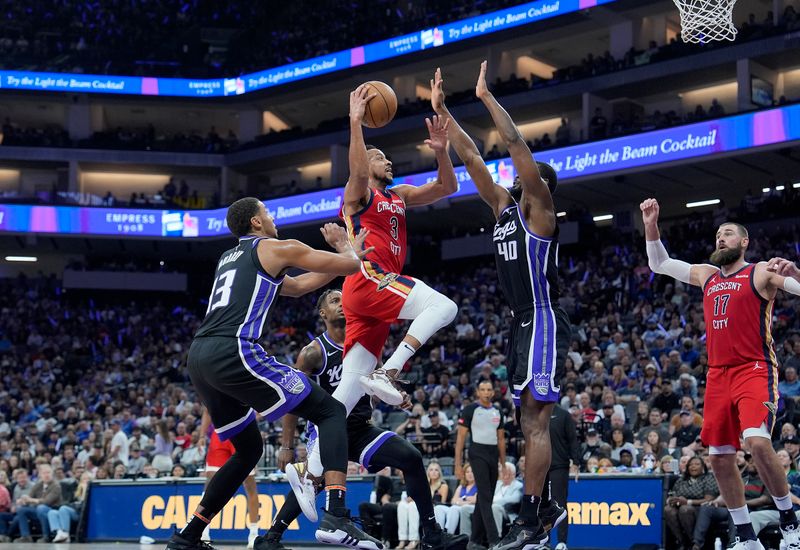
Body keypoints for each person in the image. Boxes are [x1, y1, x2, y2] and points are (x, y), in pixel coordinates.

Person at [168, 197, 377, 550]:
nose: (272, 217)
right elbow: (351, 266)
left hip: (199, 356)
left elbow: (297, 287)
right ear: (255, 222)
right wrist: (347, 246)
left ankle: (188, 535)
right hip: (233, 349)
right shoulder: (279, 247)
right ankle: (337, 514)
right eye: (267, 212)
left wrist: (344, 261)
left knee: (248, 450)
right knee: (330, 411)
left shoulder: (229, 257)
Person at [432, 62, 569, 550]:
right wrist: (445, 114)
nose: (512, 174)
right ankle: (540, 509)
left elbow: (514, 144)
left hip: (543, 319)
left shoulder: (540, 210)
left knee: (536, 415)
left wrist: (487, 97)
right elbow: (472, 157)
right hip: (519, 324)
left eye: (524, 174)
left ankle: (534, 514)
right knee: (528, 420)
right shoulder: (503, 209)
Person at [642, 197, 800, 550]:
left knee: (757, 442)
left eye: (728, 234)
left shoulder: (760, 271)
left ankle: (790, 521)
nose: (720, 238)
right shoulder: (707, 275)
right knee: (718, 456)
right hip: (717, 375)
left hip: (754, 368)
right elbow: (660, 263)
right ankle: (746, 536)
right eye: (717, 234)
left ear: (744, 242)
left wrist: (795, 274)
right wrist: (651, 225)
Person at [264, 290, 467, 550]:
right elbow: (292, 401)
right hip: (327, 429)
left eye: (343, 299)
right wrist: (286, 446)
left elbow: (377, 383)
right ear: (323, 313)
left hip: (360, 427)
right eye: (334, 301)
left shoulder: (365, 345)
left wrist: (398, 395)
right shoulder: (313, 352)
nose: (341, 304)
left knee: (412, 458)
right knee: (313, 482)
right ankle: (270, 539)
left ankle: (433, 535)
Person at [333, 83, 459, 413]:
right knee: (443, 307)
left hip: (371, 291)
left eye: (388, 158)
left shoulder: (398, 195)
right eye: (379, 158)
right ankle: (389, 371)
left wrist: (442, 151)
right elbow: (358, 171)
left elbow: (447, 186)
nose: (387, 162)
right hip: (369, 277)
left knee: (348, 392)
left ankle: (308, 464)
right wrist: (356, 122)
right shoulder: (357, 196)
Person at [455, 380, 506, 549]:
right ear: (477, 392)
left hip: (493, 455)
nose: (486, 392)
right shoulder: (470, 410)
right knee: (484, 496)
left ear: (493, 392)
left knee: (486, 498)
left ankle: (475, 540)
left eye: (489, 389)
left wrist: (504, 464)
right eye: (483, 389)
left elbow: (501, 439)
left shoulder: (498, 411)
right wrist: (457, 464)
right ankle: (494, 540)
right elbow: (461, 439)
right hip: (477, 453)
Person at [198, 409, 261, 548]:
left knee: (250, 485)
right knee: (210, 484)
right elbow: (208, 411)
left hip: (243, 431)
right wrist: (202, 435)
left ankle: (253, 533)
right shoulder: (214, 387)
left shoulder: (246, 387)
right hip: (220, 433)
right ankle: (202, 531)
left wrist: (254, 418)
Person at [664, 456, 719, 550]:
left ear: (703, 467)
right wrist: (671, 500)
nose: (693, 467)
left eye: (697, 464)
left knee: (685, 509)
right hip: (680, 506)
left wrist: (687, 502)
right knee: (668, 509)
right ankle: (682, 542)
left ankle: (693, 543)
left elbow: (709, 500)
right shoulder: (682, 480)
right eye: (691, 464)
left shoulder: (708, 478)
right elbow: (673, 495)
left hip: (701, 508)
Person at [546, 404, 580, 550]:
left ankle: (561, 541)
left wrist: (576, 461)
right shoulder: (534, 412)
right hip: (539, 467)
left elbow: (573, 438)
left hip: (558, 465)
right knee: (541, 505)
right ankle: (543, 542)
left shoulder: (563, 414)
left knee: (559, 504)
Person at [48, 471, 91, 543]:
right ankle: (60, 532)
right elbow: (70, 502)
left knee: (63, 509)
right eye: (84, 479)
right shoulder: (76, 490)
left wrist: (84, 490)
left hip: (81, 513)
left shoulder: (92, 492)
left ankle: (65, 533)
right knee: (52, 512)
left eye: (88, 479)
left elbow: (85, 505)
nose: (85, 481)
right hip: (72, 511)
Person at [445, 465, 478, 536]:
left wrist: (461, 499)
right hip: (460, 508)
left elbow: (475, 500)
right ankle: (445, 534)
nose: (470, 474)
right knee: (447, 508)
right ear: (464, 474)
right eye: (467, 472)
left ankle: (449, 534)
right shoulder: (461, 486)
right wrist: (466, 500)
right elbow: (453, 500)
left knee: (454, 508)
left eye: (472, 472)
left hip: (471, 509)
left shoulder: (479, 486)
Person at [492, 463, 524, 534]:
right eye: (503, 473)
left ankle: (497, 536)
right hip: (492, 507)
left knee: (495, 507)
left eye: (508, 473)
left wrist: (493, 501)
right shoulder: (497, 484)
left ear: (513, 474)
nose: (505, 476)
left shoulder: (518, 485)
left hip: (507, 511)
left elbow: (515, 499)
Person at [428, 462, 451, 533]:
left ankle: (439, 534)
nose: (434, 472)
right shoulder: (425, 486)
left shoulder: (443, 486)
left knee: (437, 509)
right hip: (426, 510)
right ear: (428, 472)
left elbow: (442, 503)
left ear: (439, 473)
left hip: (437, 509)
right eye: (431, 470)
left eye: (436, 470)